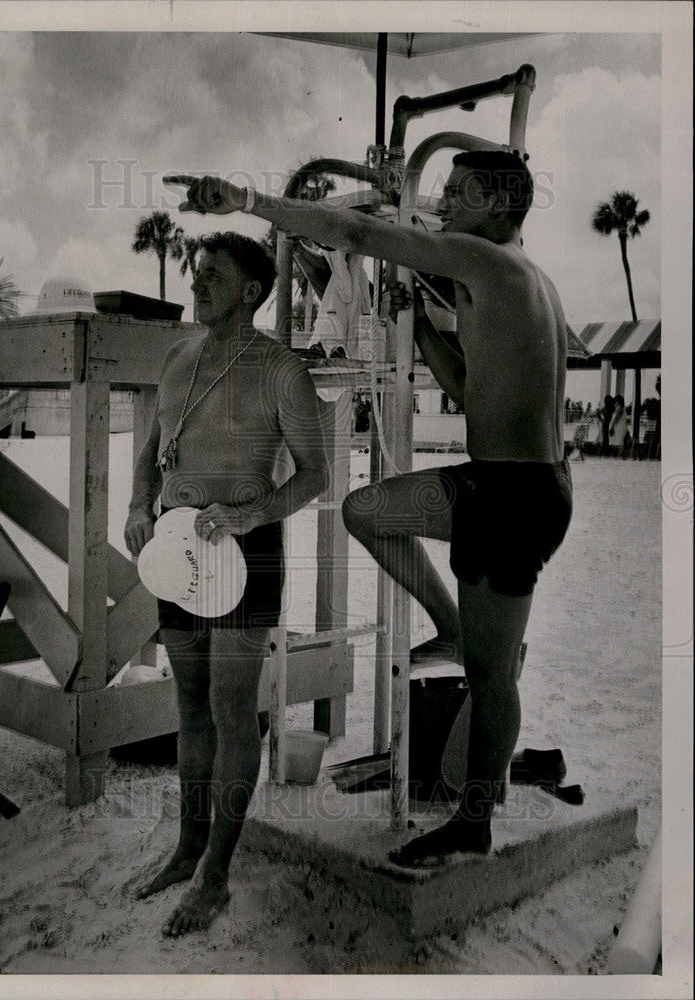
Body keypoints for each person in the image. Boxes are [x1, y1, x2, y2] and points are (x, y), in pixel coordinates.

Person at [172, 148, 572, 865]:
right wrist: (415, 325)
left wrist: (247, 197)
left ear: (490, 200)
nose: (442, 204)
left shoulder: (489, 263)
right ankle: (449, 625)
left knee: (490, 677)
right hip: (499, 482)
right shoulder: (520, 282)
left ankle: (473, 823)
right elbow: (465, 385)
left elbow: (354, 235)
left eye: (455, 193)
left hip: (515, 495)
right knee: (365, 509)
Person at [124, 232, 328, 934]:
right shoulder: (178, 357)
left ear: (251, 290)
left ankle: (216, 875)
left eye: (214, 274)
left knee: (232, 705)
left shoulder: (280, 369)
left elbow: (314, 474)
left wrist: (248, 515)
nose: (198, 281)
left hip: (247, 552)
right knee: (189, 701)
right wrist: (134, 507)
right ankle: (187, 848)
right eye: (196, 272)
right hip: (176, 551)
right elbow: (151, 447)